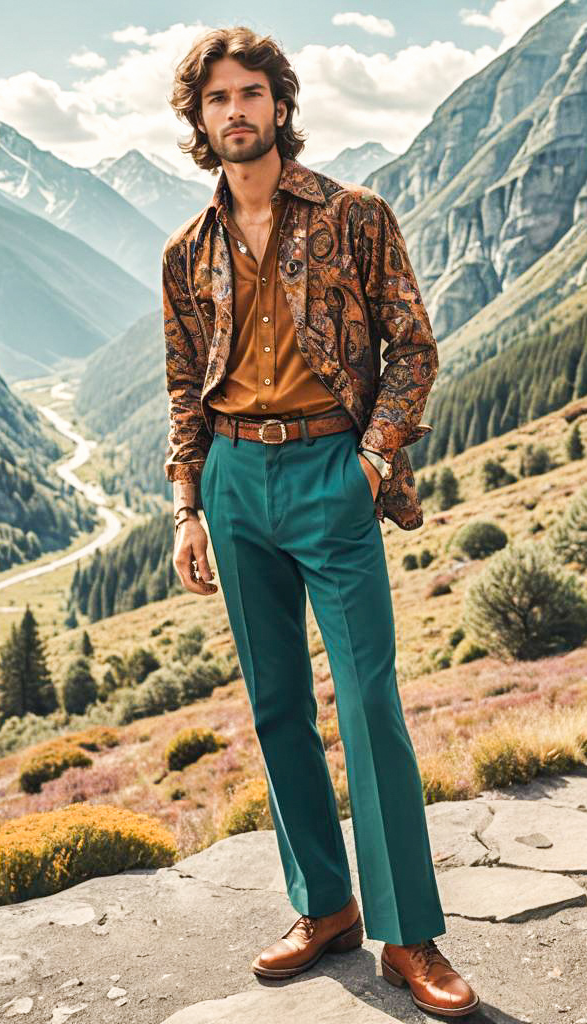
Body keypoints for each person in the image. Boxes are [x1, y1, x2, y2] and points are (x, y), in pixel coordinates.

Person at [160, 25, 480, 1019]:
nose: (235, 112)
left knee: (368, 699)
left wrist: (373, 458)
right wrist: (186, 504)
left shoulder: (354, 215)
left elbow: (412, 348)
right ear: (199, 120)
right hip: (232, 485)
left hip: (329, 471)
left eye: (249, 93)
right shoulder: (187, 251)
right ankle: (325, 906)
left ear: (279, 105)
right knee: (274, 707)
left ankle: (407, 935)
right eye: (216, 99)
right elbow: (181, 387)